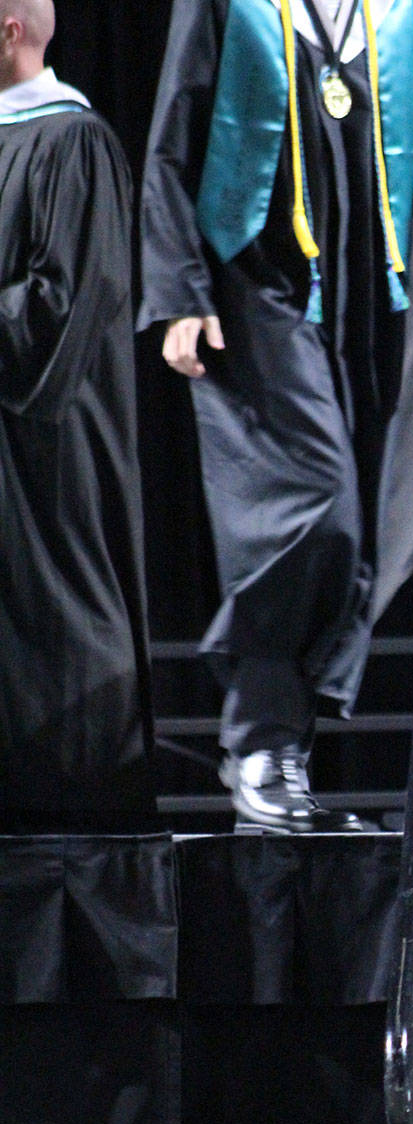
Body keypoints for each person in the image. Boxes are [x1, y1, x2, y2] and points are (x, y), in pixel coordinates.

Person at [139, 0, 413, 832]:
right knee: (318, 509)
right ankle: (258, 743)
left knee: (356, 534)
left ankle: (281, 756)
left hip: (364, 303)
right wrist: (177, 289)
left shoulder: (399, 10)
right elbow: (176, 135)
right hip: (252, 290)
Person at [0, 0, 155, 830]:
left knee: (54, 623)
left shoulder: (73, 143)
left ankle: (77, 822)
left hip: (45, 456)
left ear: (10, 31)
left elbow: (61, 307)